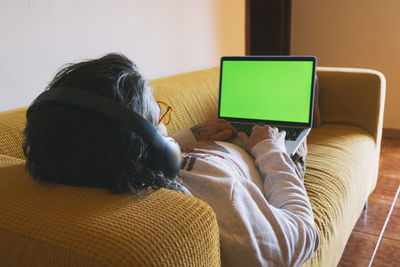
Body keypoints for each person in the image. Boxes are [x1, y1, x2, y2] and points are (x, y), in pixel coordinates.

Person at [23, 53, 319, 266]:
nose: (163, 128)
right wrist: (271, 150)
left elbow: (114, 150)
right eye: (158, 117)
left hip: (210, 147)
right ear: (150, 147)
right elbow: (303, 236)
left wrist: (189, 136)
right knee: (293, 128)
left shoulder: (96, 167)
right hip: (265, 163)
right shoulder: (215, 199)